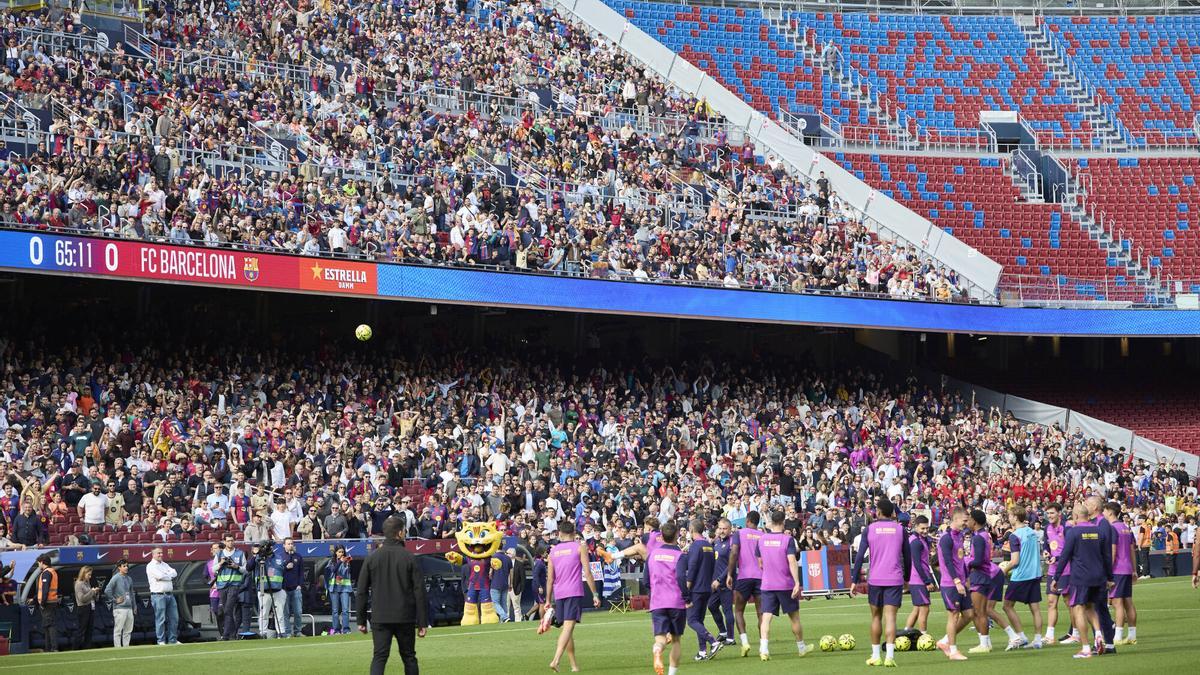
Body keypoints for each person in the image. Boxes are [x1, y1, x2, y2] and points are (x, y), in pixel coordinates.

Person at [357, 516, 428, 675]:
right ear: (400, 533)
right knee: (409, 657)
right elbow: (419, 591)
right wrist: (422, 622)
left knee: (379, 657)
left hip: (380, 617)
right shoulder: (409, 557)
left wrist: (361, 620)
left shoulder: (372, 557)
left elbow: (361, 591)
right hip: (405, 616)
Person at [851, 498, 910, 667]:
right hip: (894, 578)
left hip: (876, 578)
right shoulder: (900, 529)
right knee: (890, 617)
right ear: (892, 513)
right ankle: (890, 657)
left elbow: (860, 556)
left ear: (877, 511)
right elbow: (908, 556)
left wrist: (854, 580)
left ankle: (876, 656)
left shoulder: (869, 529)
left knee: (876, 617)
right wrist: (907, 579)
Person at [1052, 503, 1113, 659]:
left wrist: (1056, 577)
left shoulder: (1073, 532)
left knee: (1078, 608)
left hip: (1081, 577)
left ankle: (1086, 648)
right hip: (1098, 577)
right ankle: (1099, 635)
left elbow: (1065, 556)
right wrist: (1110, 578)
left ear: (1076, 516)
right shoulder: (1100, 531)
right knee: (1091, 608)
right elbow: (1107, 556)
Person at [755, 509, 812, 661]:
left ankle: (764, 649)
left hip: (767, 584)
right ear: (783, 522)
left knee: (766, 618)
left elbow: (760, 563)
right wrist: (797, 581)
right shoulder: (787, 539)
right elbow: (792, 561)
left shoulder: (761, 539)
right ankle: (801, 648)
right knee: (794, 618)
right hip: (785, 584)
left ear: (772, 522)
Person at [545, 520, 600, 673]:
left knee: (567, 631)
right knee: (568, 628)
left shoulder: (553, 551)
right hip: (574, 591)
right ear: (574, 533)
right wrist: (595, 594)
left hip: (559, 593)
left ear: (560, 533)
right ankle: (555, 660)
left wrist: (548, 600)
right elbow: (587, 572)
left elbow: (550, 579)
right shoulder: (579, 547)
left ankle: (574, 665)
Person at [965, 509, 1013, 653]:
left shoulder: (979, 537)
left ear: (974, 521)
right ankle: (987, 642)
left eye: (968, 519)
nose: (967, 522)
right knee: (982, 611)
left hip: (981, 576)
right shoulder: (983, 535)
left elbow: (979, 560)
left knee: (980, 611)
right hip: (986, 575)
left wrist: (965, 562)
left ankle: (985, 644)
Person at [999, 505, 1042, 650]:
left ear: (1016, 517)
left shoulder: (1014, 535)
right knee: (1035, 608)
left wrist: (1004, 569)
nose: (1009, 518)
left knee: (1007, 606)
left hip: (1021, 575)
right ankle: (1037, 639)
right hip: (1035, 573)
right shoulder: (1032, 532)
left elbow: (1015, 561)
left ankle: (1021, 636)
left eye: (1010, 515)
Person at [648, 520, 687, 675]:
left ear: (661, 536)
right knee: (676, 640)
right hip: (676, 601)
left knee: (661, 639)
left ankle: (658, 651)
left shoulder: (652, 554)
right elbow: (681, 578)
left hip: (658, 601)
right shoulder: (680, 555)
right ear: (677, 535)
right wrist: (687, 597)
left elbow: (646, 580)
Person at [934, 507, 972, 661]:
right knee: (954, 615)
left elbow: (960, 560)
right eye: (964, 520)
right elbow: (948, 562)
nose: (966, 523)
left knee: (969, 614)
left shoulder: (959, 536)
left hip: (961, 582)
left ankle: (944, 641)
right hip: (950, 583)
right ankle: (953, 651)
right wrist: (957, 581)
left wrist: (966, 578)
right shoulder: (946, 538)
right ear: (955, 519)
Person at [682, 518, 722, 661]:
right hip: (707, 587)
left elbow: (692, 568)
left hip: (696, 588)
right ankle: (702, 651)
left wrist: (687, 585)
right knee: (699, 620)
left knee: (692, 620)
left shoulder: (695, 546)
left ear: (691, 530)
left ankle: (713, 641)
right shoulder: (709, 545)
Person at [726, 510, 763, 657]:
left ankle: (745, 642)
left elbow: (734, 553)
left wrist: (729, 573)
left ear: (747, 520)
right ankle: (763, 645)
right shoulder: (762, 535)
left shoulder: (739, 534)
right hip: (761, 577)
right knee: (761, 613)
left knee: (739, 610)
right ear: (758, 522)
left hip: (744, 577)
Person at [1104, 502, 1137, 645]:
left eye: (1104, 511)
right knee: (1128, 602)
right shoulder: (1126, 528)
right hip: (1127, 568)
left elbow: (1112, 551)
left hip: (1117, 569)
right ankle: (1132, 635)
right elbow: (1132, 550)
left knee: (1117, 603)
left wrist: (1107, 571)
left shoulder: (1112, 529)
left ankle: (1117, 636)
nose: (1103, 514)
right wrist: (1134, 570)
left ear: (1110, 512)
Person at [903, 515, 936, 635]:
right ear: (915, 527)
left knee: (917, 609)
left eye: (927, 528)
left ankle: (905, 633)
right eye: (922, 528)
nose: (925, 531)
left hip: (916, 579)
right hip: (919, 580)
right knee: (924, 608)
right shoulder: (915, 542)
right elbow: (916, 563)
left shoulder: (919, 539)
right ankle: (924, 636)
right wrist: (927, 581)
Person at [215, 533, 248, 641]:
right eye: (228, 541)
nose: (230, 542)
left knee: (228, 609)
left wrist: (236, 566)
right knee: (227, 610)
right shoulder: (219, 554)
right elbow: (213, 569)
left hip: (234, 585)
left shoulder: (240, 553)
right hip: (222, 586)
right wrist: (220, 563)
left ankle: (225, 635)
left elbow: (245, 569)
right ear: (224, 542)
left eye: (232, 540)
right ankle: (233, 634)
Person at [707, 518, 735, 647]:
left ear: (730, 529)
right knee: (712, 606)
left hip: (725, 582)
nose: (722, 531)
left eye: (725, 528)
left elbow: (731, 564)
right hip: (714, 582)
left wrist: (720, 579)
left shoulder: (731, 543)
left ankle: (731, 637)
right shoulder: (716, 542)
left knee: (727, 609)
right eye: (720, 528)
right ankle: (723, 632)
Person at [1043, 502, 1068, 645]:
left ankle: (1075, 633)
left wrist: (1058, 558)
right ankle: (1049, 636)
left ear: (1059, 513)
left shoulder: (1066, 527)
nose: (1049, 516)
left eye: (1052, 513)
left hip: (1066, 570)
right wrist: (1046, 552)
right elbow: (1047, 544)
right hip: (1053, 569)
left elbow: (1069, 548)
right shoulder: (1047, 528)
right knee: (1051, 602)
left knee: (1068, 602)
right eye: (1048, 513)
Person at [147, 546, 179, 645]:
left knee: (174, 618)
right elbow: (160, 576)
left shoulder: (164, 564)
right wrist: (168, 575)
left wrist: (166, 576)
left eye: (161, 553)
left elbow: (175, 573)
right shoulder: (151, 565)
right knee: (161, 619)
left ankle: (172, 640)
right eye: (158, 553)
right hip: (158, 595)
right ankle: (161, 640)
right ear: (153, 554)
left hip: (170, 595)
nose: (161, 554)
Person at [255, 541, 286, 637]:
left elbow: (282, 570)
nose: (269, 549)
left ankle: (281, 632)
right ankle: (263, 633)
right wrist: (259, 554)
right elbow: (250, 566)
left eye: (270, 547)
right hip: (264, 590)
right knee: (263, 614)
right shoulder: (259, 558)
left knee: (280, 614)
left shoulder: (278, 557)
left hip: (278, 589)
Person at [104, 558, 134, 648]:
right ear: (119, 567)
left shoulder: (129, 578)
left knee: (128, 630)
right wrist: (114, 600)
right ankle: (117, 648)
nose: (126, 568)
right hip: (120, 608)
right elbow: (107, 590)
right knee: (118, 630)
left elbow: (132, 593)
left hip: (129, 607)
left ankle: (126, 647)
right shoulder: (115, 578)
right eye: (124, 566)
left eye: (127, 566)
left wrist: (134, 606)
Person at [33, 554, 60, 652]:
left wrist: (42, 603)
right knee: (47, 625)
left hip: (47, 603)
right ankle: (48, 648)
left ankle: (53, 648)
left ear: (42, 562)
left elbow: (45, 589)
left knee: (50, 625)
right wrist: (35, 599)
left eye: (38, 562)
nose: (38, 565)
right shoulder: (52, 571)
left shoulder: (46, 573)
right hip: (51, 601)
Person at [280, 538, 305, 638]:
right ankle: (287, 632)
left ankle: (298, 631)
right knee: (286, 613)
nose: (290, 545)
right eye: (288, 543)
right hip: (284, 589)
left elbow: (301, 573)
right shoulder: (280, 557)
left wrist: (300, 585)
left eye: (292, 543)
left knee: (298, 612)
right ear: (284, 545)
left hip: (296, 588)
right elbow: (277, 571)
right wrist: (286, 568)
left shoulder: (298, 557)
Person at [327, 546, 354, 635]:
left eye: (342, 552)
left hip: (344, 588)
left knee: (345, 610)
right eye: (339, 552)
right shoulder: (331, 561)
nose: (341, 554)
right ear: (335, 553)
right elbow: (333, 570)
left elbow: (349, 572)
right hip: (334, 588)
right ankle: (336, 630)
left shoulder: (346, 562)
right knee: (335, 611)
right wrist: (340, 562)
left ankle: (346, 629)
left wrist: (347, 562)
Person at [73, 565, 99, 650]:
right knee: (81, 630)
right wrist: (92, 591)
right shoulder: (78, 584)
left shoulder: (87, 583)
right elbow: (82, 599)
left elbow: (91, 597)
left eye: (91, 575)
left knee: (89, 630)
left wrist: (95, 593)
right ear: (83, 573)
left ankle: (87, 648)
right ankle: (75, 648)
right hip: (83, 608)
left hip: (90, 608)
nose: (90, 577)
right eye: (89, 575)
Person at [491, 547, 512, 622]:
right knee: (503, 603)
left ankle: (504, 617)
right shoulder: (508, 558)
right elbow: (511, 572)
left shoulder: (493, 557)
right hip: (505, 583)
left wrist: (490, 575)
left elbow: (490, 572)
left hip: (495, 583)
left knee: (495, 603)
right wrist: (511, 583)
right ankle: (504, 620)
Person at [508, 548, 526, 623]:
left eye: (508, 553)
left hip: (515, 588)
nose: (507, 554)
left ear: (513, 554)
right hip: (506, 588)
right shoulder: (504, 563)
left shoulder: (519, 564)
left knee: (516, 606)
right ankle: (506, 620)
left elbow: (523, 578)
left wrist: (521, 589)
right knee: (506, 605)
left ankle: (518, 621)